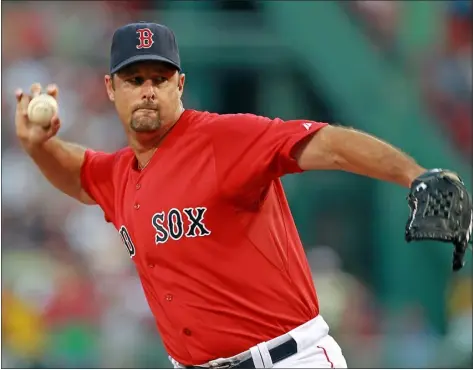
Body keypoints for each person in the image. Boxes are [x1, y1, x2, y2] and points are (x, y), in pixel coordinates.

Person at [12, 22, 451, 369]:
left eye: (159, 77)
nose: (147, 89)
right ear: (111, 88)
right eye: (134, 78)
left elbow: (330, 144)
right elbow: (78, 173)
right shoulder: (121, 174)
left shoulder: (223, 139)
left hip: (286, 359)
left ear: (179, 85)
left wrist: (414, 174)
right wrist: (39, 146)